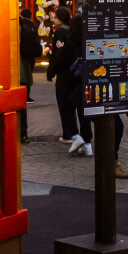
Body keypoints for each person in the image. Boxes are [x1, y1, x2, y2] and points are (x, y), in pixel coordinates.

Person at [47, 8, 92, 155]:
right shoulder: (87, 42)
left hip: (67, 80)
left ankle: (75, 135)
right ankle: (87, 144)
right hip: (83, 81)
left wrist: (60, 50)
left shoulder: (70, 42)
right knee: (83, 112)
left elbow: (59, 60)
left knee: (66, 108)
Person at [17, 7, 40, 143]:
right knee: (22, 104)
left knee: (17, 105)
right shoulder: (26, 24)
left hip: (15, 71)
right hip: (25, 71)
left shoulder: (15, 25)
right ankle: (23, 133)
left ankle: (18, 133)